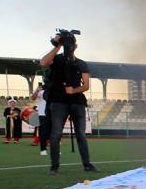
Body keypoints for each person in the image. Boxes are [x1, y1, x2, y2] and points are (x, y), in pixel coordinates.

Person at [39, 33, 97, 174]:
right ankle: (54, 167)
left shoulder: (81, 63)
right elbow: (43, 63)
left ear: (76, 46)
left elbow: (86, 85)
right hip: (58, 102)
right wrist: (57, 46)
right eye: (67, 44)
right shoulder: (57, 59)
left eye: (71, 44)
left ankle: (87, 164)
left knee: (81, 134)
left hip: (77, 102)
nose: (70, 47)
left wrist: (74, 90)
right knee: (56, 134)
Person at [32, 83, 50, 155]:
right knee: (42, 133)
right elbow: (33, 98)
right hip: (42, 114)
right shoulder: (41, 91)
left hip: (52, 114)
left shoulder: (54, 90)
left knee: (53, 132)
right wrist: (37, 90)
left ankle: (55, 149)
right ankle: (43, 149)